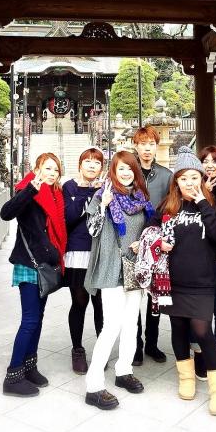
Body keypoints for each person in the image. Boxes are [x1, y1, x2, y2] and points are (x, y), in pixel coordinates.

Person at [149, 146, 216, 416]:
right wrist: (159, 242)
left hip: (202, 281)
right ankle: (186, 377)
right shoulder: (168, 206)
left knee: (203, 331)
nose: (189, 183)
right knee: (179, 329)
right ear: (176, 181)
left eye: (194, 177)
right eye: (183, 178)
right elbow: (150, 230)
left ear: (202, 178)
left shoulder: (213, 204)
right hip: (173, 281)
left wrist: (203, 202)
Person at [83, 150, 154, 410]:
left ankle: (123, 371)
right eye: (120, 168)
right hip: (111, 267)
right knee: (111, 325)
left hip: (134, 267)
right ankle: (93, 385)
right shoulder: (103, 194)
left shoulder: (141, 198)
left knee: (131, 323)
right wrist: (103, 206)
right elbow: (92, 230)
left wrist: (142, 241)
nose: (125, 173)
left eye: (130, 168)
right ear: (113, 171)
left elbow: (149, 228)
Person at [0, 153, 66, 397]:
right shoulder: (27, 190)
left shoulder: (55, 195)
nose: (52, 173)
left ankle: (30, 366)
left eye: (55, 170)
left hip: (44, 265)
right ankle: (13, 375)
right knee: (29, 320)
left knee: (38, 318)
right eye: (47, 168)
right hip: (29, 264)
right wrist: (30, 189)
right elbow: (6, 213)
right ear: (37, 169)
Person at [62, 147, 105, 374]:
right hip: (78, 251)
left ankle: (101, 349)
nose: (92, 165)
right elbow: (68, 217)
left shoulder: (106, 187)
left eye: (96, 162)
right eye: (87, 161)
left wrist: (100, 192)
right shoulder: (69, 187)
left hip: (100, 251)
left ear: (101, 167)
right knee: (79, 301)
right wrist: (86, 192)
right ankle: (77, 350)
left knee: (100, 304)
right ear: (80, 165)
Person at [132, 125, 172, 366]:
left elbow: (170, 208)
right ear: (135, 145)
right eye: (142, 144)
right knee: (133, 295)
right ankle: (135, 345)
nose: (147, 149)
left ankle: (152, 343)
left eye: (151, 144)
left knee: (154, 295)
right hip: (131, 241)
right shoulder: (127, 170)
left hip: (156, 241)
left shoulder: (166, 175)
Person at [191, 145, 216, 382]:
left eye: (214, 161)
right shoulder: (192, 184)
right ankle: (198, 353)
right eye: (205, 161)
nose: (209, 165)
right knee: (196, 307)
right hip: (195, 256)